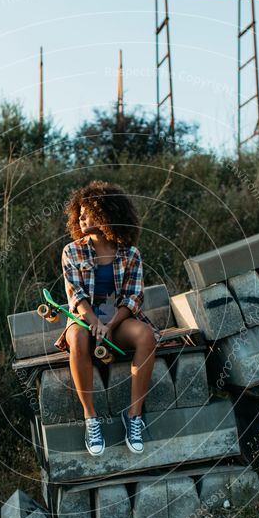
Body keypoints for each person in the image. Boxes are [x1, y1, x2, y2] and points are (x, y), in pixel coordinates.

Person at [53, 180, 161, 456]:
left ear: (107, 214)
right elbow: (74, 295)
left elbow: (133, 298)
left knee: (146, 336)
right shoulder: (72, 251)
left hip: (118, 321)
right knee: (76, 336)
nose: (81, 217)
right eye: (79, 213)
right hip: (85, 320)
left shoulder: (130, 254)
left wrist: (111, 325)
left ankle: (134, 416)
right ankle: (91, 419)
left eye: (89, 212)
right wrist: (95, 323)